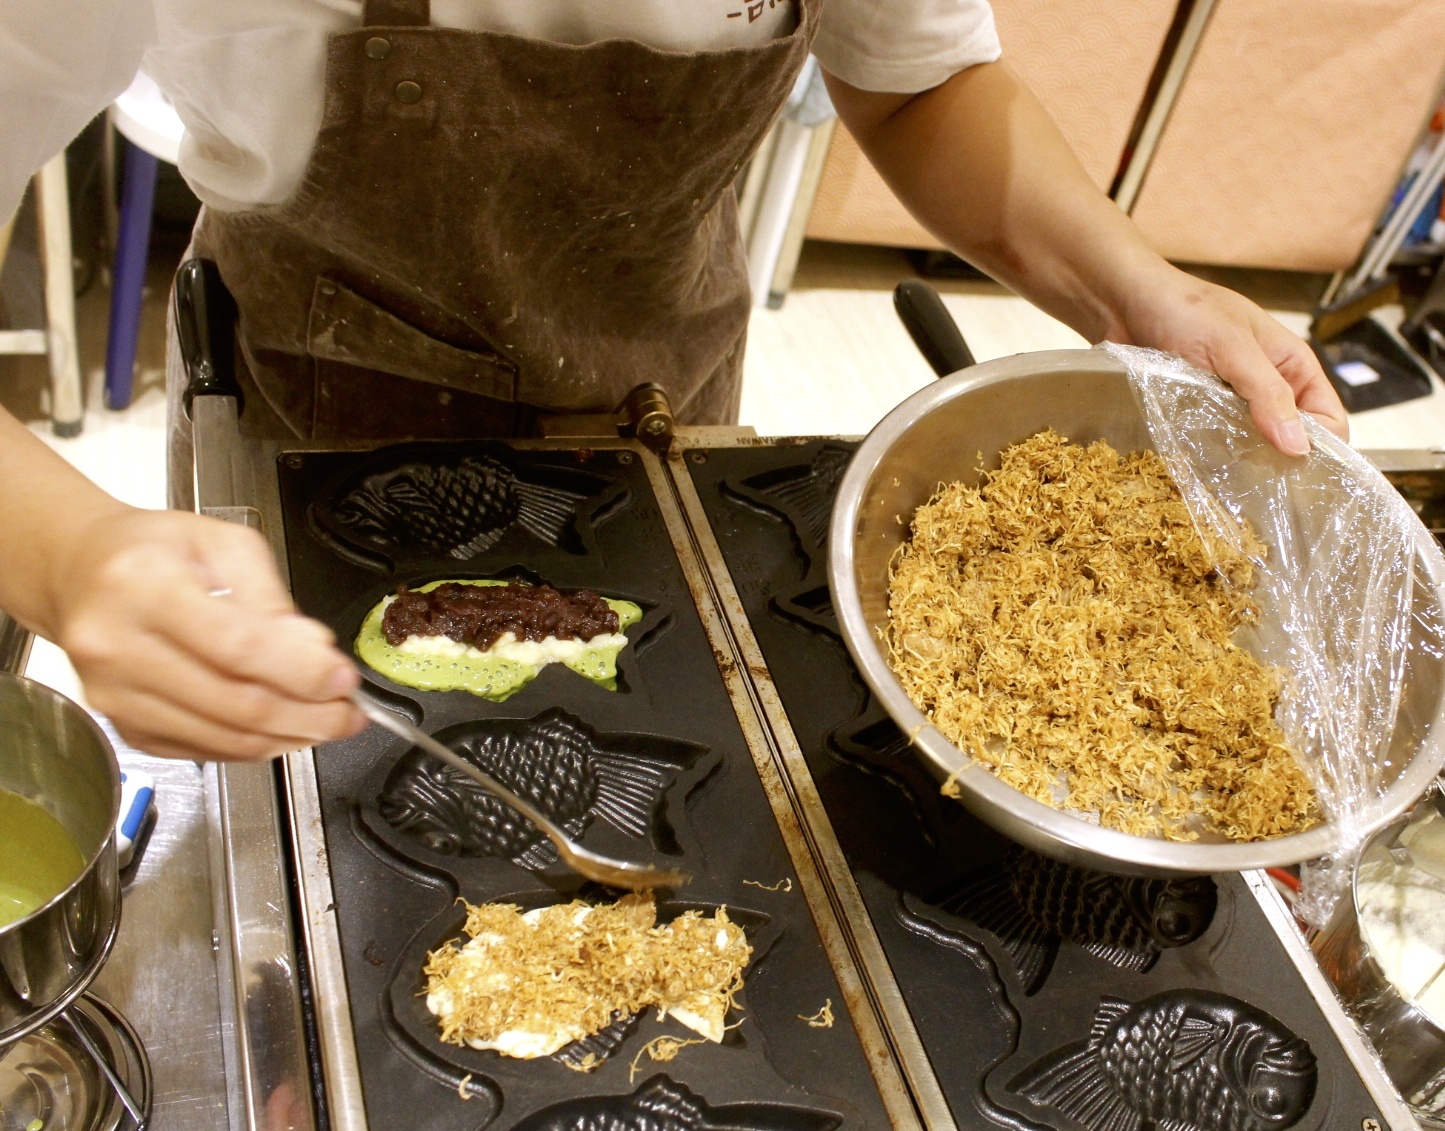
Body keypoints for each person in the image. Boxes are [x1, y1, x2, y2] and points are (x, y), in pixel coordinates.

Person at [0, 0, 1348, 764]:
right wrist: (70, 555)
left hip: (659, 397)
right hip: (321, 401)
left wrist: (1135, 291)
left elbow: (918, 75)